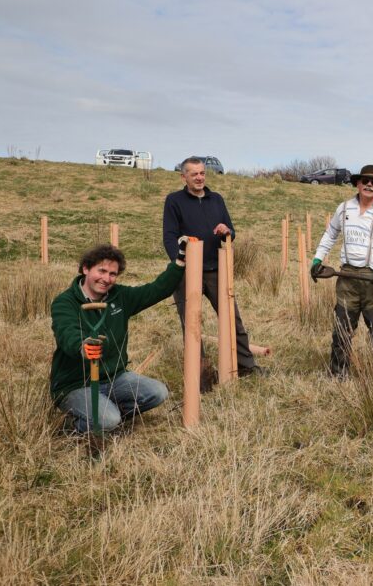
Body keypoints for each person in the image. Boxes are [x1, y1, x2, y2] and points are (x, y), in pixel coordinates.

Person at [50, 243, 186, 433]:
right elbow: (66, 331)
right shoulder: (65, 302)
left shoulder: (120, 296)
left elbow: (156, 290)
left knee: (158, 392)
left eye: (112, 274)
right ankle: (70, 425)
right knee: (109, 420)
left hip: (115, 377)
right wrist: (82, 345)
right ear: (85, 269)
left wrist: (179, 261)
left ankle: (106, 414)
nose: (106, 279)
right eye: (102, 271)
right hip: (75, 384)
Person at [163, 156, 264, 388]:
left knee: (232, 319)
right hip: (188, 273)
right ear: (183, 177)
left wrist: (226, 230)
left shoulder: (216, 199)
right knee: (192, 325)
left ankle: (246, 366)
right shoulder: (174, 201)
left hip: (216, 270)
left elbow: (232, 231)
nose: (199, 177)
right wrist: (180, 260)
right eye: (194, 174)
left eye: (202, 173)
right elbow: (169, 236)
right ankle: (202, 377)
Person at [310, 164, 373, 384]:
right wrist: (317, 258)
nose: (369, 185)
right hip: (347, 278)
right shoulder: (344, 209)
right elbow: (330, 235)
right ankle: (338, 375)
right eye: (365, 181)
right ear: (358, 183)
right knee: (342, 329)